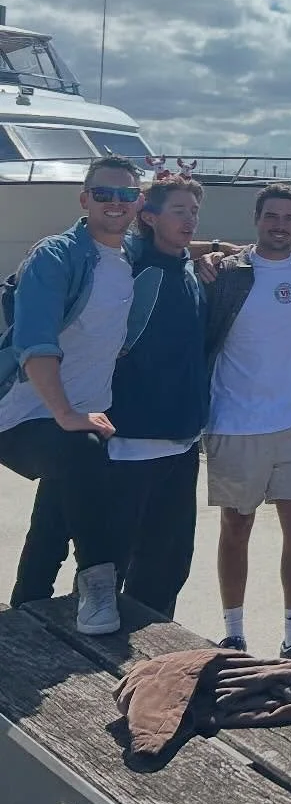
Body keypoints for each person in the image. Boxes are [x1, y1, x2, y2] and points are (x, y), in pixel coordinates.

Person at [0, 156, 142, 632]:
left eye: (126, 194)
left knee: (58, 505)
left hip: (77, 415)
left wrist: (218, 249)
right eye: (104, 193)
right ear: (84, 199)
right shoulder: (56, 256)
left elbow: (170, 242)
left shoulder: (128, 254)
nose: (115, 203)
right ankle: (98, 584)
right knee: (83, 454)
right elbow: (34, 343)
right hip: (22, 417)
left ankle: (27, 603)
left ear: (138, 202)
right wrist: (65, 414)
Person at [204, 182, 291, 667]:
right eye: (271, 216)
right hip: (235, 424)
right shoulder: (229, 271)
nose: (280, 225)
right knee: (235, 528)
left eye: (289, 218)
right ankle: (234, 635)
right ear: (257, 219)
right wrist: (210, 250)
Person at [104, 174, 210, 619]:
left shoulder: (189, 271)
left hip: (181, 442)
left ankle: (155, 640)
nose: (189, 219)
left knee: (170, 562)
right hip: (130, 442)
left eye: (194, 211)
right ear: (148, 217)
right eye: (179, 210)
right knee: (111, 559)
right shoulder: (128, 268)